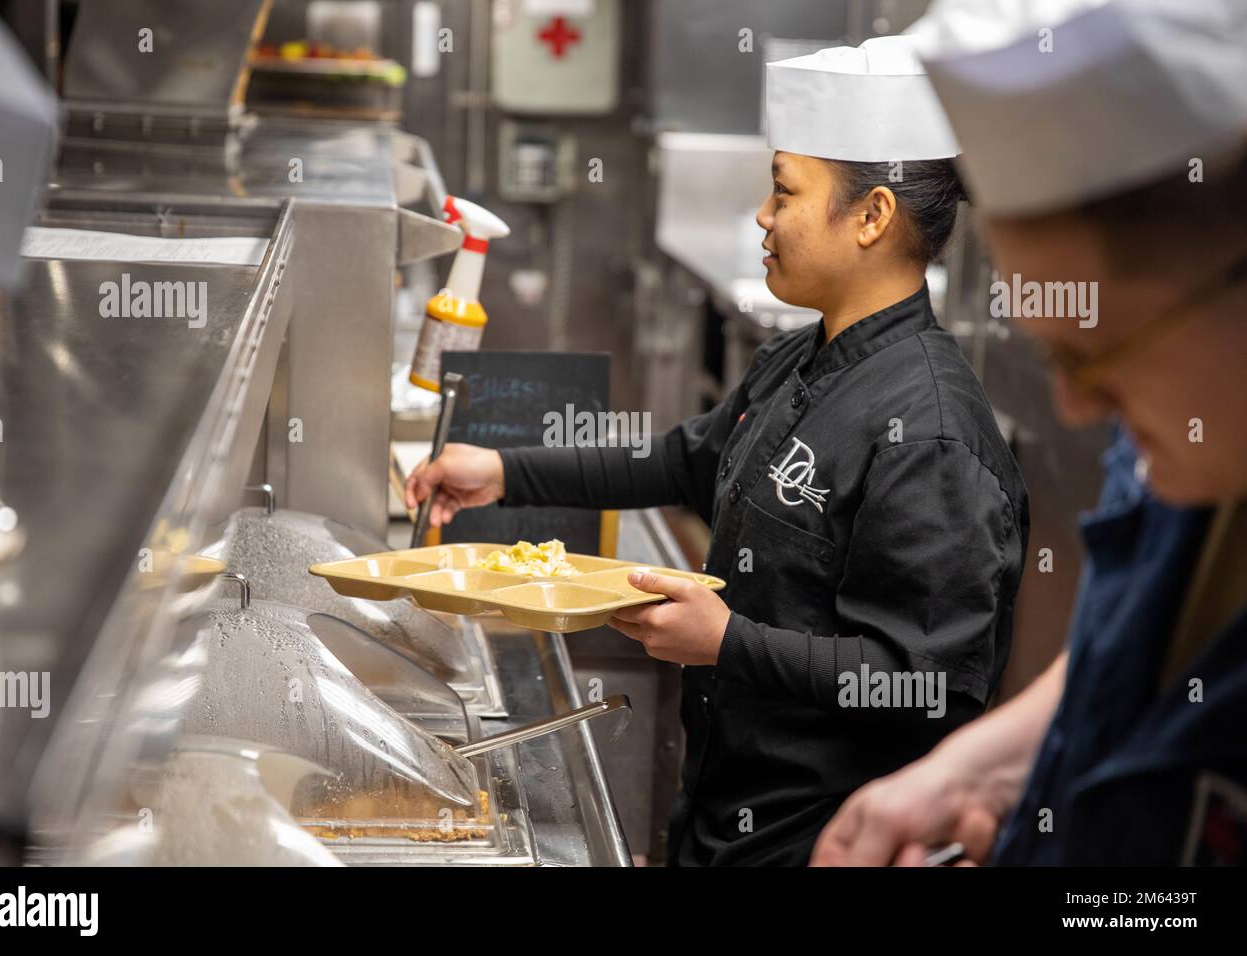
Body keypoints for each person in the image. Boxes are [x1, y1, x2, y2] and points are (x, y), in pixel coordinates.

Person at [408, 35, 1027, 866]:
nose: (763, 219)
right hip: (720, 808)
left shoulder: (934, 434)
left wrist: (727, 642)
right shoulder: (799, 358)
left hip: (821, 841)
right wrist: (505, 471)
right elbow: (683, 458)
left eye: (783, 193)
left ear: (873, 216)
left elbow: (930, 687)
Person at [812, 0, 1247, 866]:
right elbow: (1133, 645)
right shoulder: (1185, 449)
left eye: (1099, 352)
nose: (1081, 408)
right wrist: (987, 770)